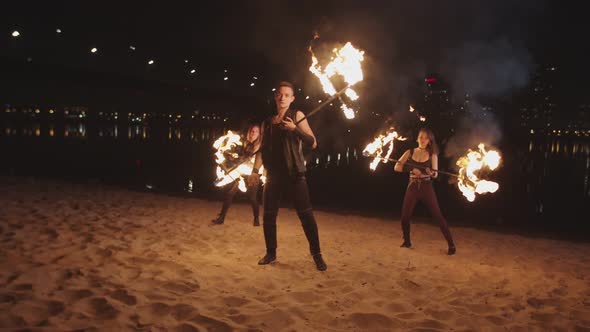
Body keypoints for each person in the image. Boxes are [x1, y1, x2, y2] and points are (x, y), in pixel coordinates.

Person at [249, 81, 327, 271]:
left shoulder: (297, 116)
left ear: (292, 99)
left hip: (295, 174)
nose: (282, 97)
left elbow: (313, 142)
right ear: (275, 97)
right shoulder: (267, 122)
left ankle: (317, 255)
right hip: (273, 175)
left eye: (286, 95)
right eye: (280, 94)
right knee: (269, 216)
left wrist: (295, 129)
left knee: (306, 216)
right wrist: (255, 171)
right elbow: (262, 150)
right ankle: (271, 253)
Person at [394, 128, 456, 255]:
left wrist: (430, 172)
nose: (422, 140)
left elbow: (435, 174)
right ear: (417, 138)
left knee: (438, 216)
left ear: (429, 141)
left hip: (426, 187)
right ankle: (407, 241)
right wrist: (410, 170)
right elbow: (397, 167)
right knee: (405, 217)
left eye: (426, 138)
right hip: (412, 186)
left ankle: (451, 245)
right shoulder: (409, 152)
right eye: (421, 137)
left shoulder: (432, 154)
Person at [212, 124, 261, 226]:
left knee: (252, 198)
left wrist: (247, 159)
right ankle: (221, 218)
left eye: (255, 132)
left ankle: (256, 219)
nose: (253, 133)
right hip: (240, 173)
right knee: (230, 194)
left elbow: (256, 160)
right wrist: (231, 157)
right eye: (251, 131)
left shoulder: (259, 146)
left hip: (252, 174)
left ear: (259, 134)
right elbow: (238, 156)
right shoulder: (244, 143)